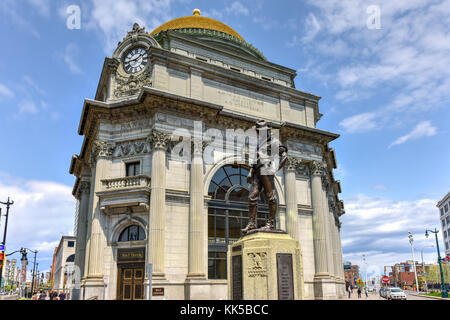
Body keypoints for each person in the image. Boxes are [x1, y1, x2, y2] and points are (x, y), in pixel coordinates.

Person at [241, 120, 288, 234]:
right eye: (258, 131)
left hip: (266, 169)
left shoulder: (274, 141)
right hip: (257, 171)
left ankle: (270, 223)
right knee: (252, 196)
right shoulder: (259, 143)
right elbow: (254, 159)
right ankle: (251, 224)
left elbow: (285, 156)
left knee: (270, 197)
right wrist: (250, 172)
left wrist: (275, 169)